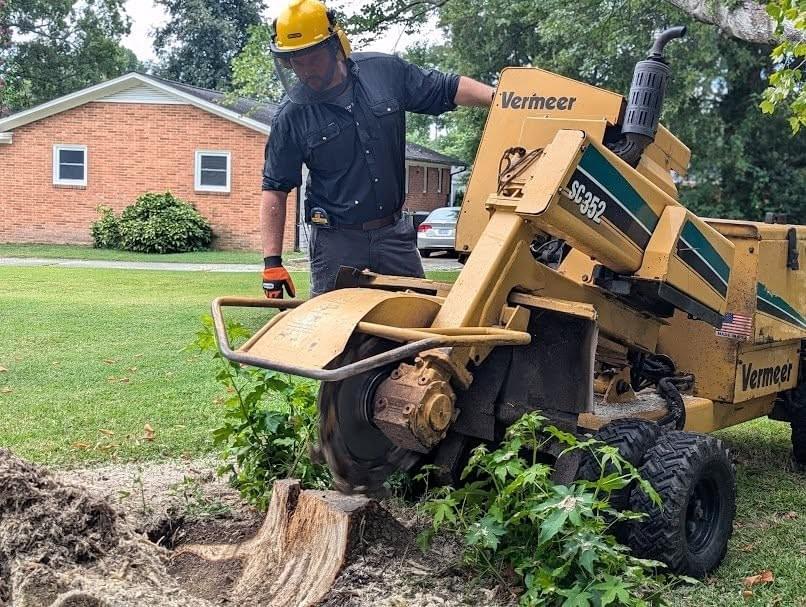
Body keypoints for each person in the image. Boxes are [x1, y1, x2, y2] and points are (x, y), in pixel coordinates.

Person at [260, 0, 494, 299]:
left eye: (312, 59)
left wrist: (499, 98)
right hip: (336, 242)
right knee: (335, 330)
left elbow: (446, 88)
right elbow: (274, 189)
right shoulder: (292, 116)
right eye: (295, 62)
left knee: (418, 319)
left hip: (394, 235)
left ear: (337, 46)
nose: (305, 71)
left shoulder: (385, 72)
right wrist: (272, 264)